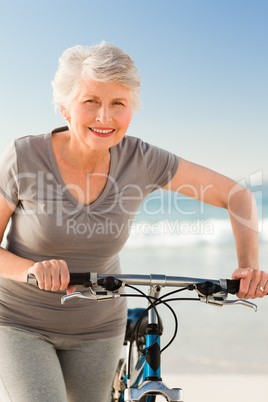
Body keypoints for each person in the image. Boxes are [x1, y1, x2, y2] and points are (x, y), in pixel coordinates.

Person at [0, 41, 266, 402]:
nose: (104, 118)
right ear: (64, 107)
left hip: (98, 328)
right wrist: (31, 269)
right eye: (90, 101)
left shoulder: (141, 160)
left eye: (118, 104)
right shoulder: (24, 157)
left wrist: (249, 268)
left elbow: (237, 195)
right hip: (20, 323)